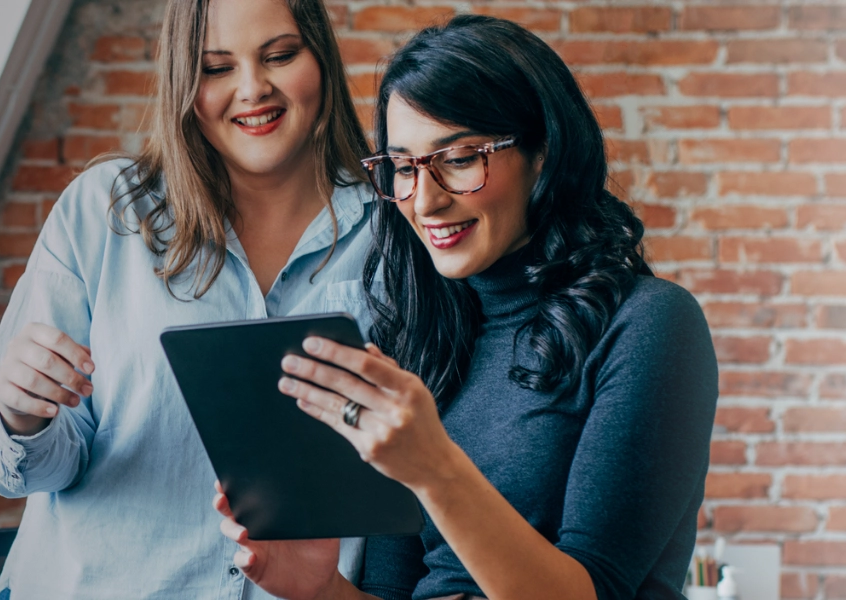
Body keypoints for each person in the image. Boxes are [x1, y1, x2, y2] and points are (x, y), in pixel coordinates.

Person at [214, 15, 719, 600]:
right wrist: (321, 589)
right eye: (403, 167)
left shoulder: (652, 325)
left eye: (457, 158)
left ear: (543, 152)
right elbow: (398, 590)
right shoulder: (424, 341)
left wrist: (434, 467)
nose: (424, 200)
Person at [0, 0, 378, 596]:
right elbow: (33, 470)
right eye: (216, 68)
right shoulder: (103, 212)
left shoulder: (394, 229)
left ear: (321, 58)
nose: (252, 89)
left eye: (281, 55)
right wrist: (22, 414)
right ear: (184, 83)